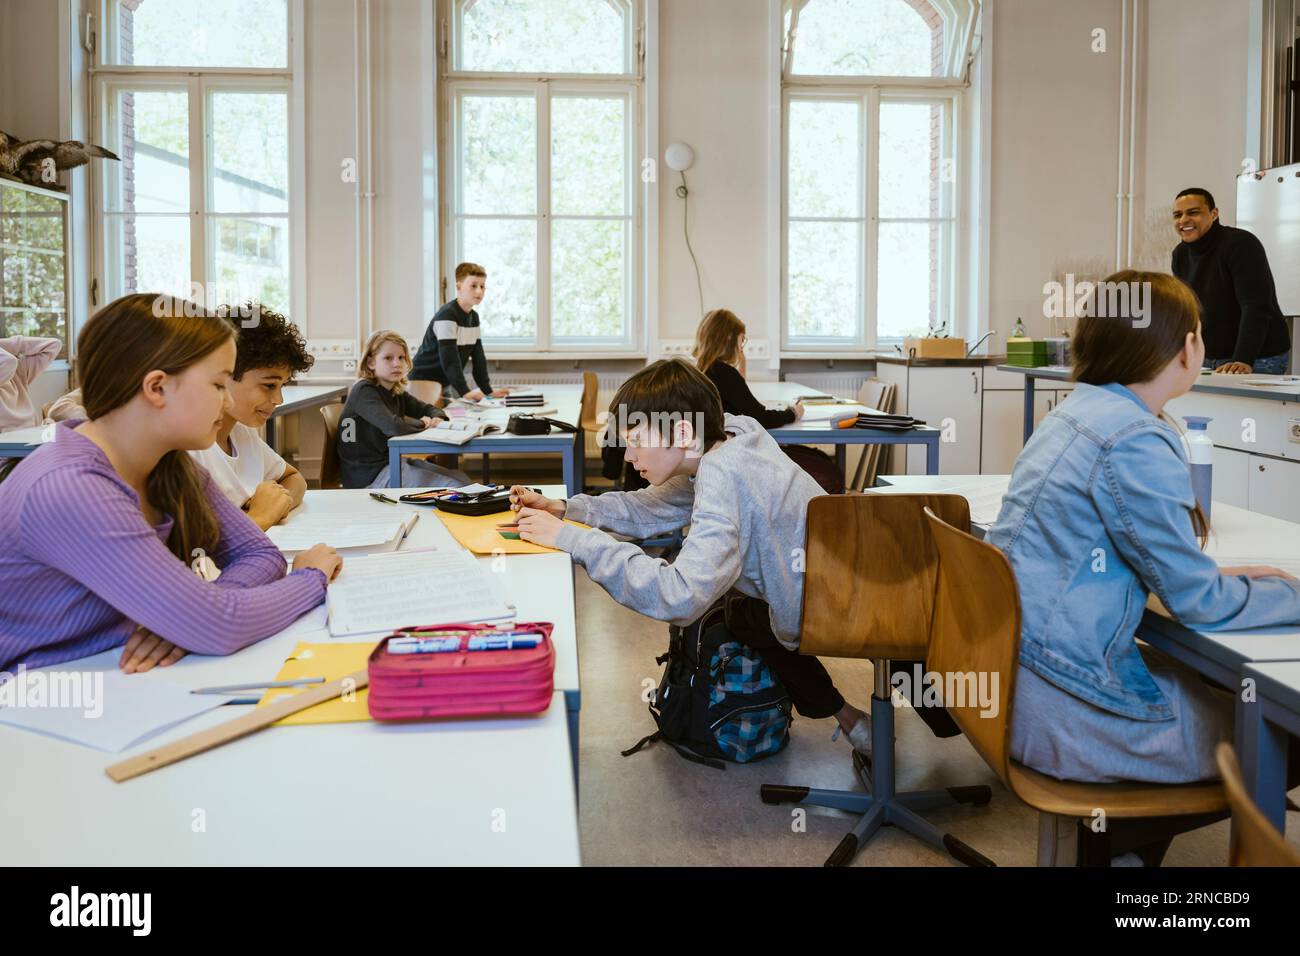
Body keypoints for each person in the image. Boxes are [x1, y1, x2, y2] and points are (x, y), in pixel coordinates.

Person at [987, 270, 1300, 863]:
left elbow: (1165, 571)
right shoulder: (1133, 436)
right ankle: (1119, 853)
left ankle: (1118, 852)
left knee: (1216, 688)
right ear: (1189, 347)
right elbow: (1198, 604)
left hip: (1014, 682)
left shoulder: (1073, 413)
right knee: (1279, 731)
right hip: (1065, 708)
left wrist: (1229, 581)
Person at [510, 358, 874, 753]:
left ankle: (852, 722)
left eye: (635, 440)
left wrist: (572, 541)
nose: (629, 457)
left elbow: (679, 596)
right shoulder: (733, 434)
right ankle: (853, 722)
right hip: (853, 583)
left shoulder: (723, 477)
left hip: (834, 608)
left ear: (683, 431)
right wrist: (565, 509)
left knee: (734, 611)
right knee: (742, 611)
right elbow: (650, 508)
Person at [0, 293, 341, 674]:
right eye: (218, 384)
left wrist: (187, 617)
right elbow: (220, 625)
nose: (226, 399)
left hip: (125, 676)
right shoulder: (68, 486)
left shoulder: (171, 463)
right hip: (36, 700)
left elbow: (261, 557)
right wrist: (311, 577)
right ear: (157, 388)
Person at [189, 304, 312, 529]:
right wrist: (260, 516)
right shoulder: (191, 448)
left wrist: (277, 505)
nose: (279, 399)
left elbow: (294, 478)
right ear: (224, 374)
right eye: (268, 385)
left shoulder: (241, 431)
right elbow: (202, 543)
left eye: (282, 385)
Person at [1170, 187, 1291, 374]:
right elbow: (1187, 311)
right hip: (1209, 357)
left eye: (1193, 212)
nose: (1184, 220)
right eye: (1177, 215)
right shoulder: (1180, 254)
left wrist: (1243, 359)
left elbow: (1256, 306)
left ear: (1214, 213)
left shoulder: (1240, 244)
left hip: (1259, 355)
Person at [337, 329, 470, 489]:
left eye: (401, 357)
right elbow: (393, 426)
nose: (397, 363)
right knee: (454, 486)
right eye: (388, 358)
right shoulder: (364, 390)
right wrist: (424, 423)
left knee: (461, 478)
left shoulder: (395, 392)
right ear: (371, 363)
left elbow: (428, 409)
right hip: (368, 477)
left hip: (391, 463)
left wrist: (437, 417)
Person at [410, 262, 509, 401]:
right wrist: (465, 392)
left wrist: (488, 391)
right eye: (473, 286)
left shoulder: (474, 317)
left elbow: (478, 357)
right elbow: (450, 360)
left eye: (482, 286)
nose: (479, 291)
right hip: (422, 384)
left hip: (442, 384)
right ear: (458, 287)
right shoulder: (447, 316)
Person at [692, 308, 804, 427]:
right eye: (742, 339)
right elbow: (761, 418)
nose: (742, 347)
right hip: (728, 442)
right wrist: (792, 413)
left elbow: (742, 404)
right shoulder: (724, 373)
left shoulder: (698, 370)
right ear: (730, 337)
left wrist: (741, 370)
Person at [0, 334, 62, 432]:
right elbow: (9, 362)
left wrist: (11, 344)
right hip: (8, 441)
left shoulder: (19, 369)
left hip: (33, 433)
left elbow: (54, 345)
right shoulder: (10, 365)